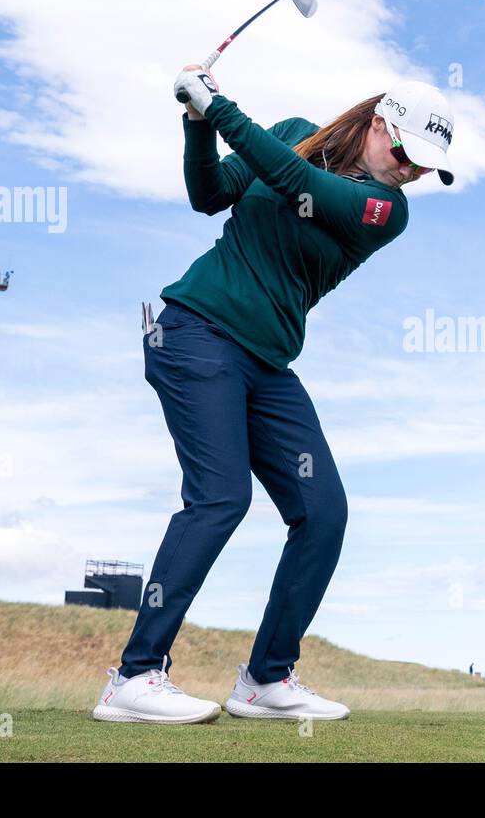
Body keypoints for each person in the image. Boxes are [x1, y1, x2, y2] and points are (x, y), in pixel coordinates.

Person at [93, 70, 455, 725]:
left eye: (426, 168)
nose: (411, 172)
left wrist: (218, 107)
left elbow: (300, 184)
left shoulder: (384, 210)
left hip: (266, 364)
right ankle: (135, 675)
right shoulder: (292, 135)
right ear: (380, 122)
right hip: (194, 331)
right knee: (220, 495)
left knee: (324, 511)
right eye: (406, 154)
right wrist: (196, 123)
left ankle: (264, 679)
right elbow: (209, 193)